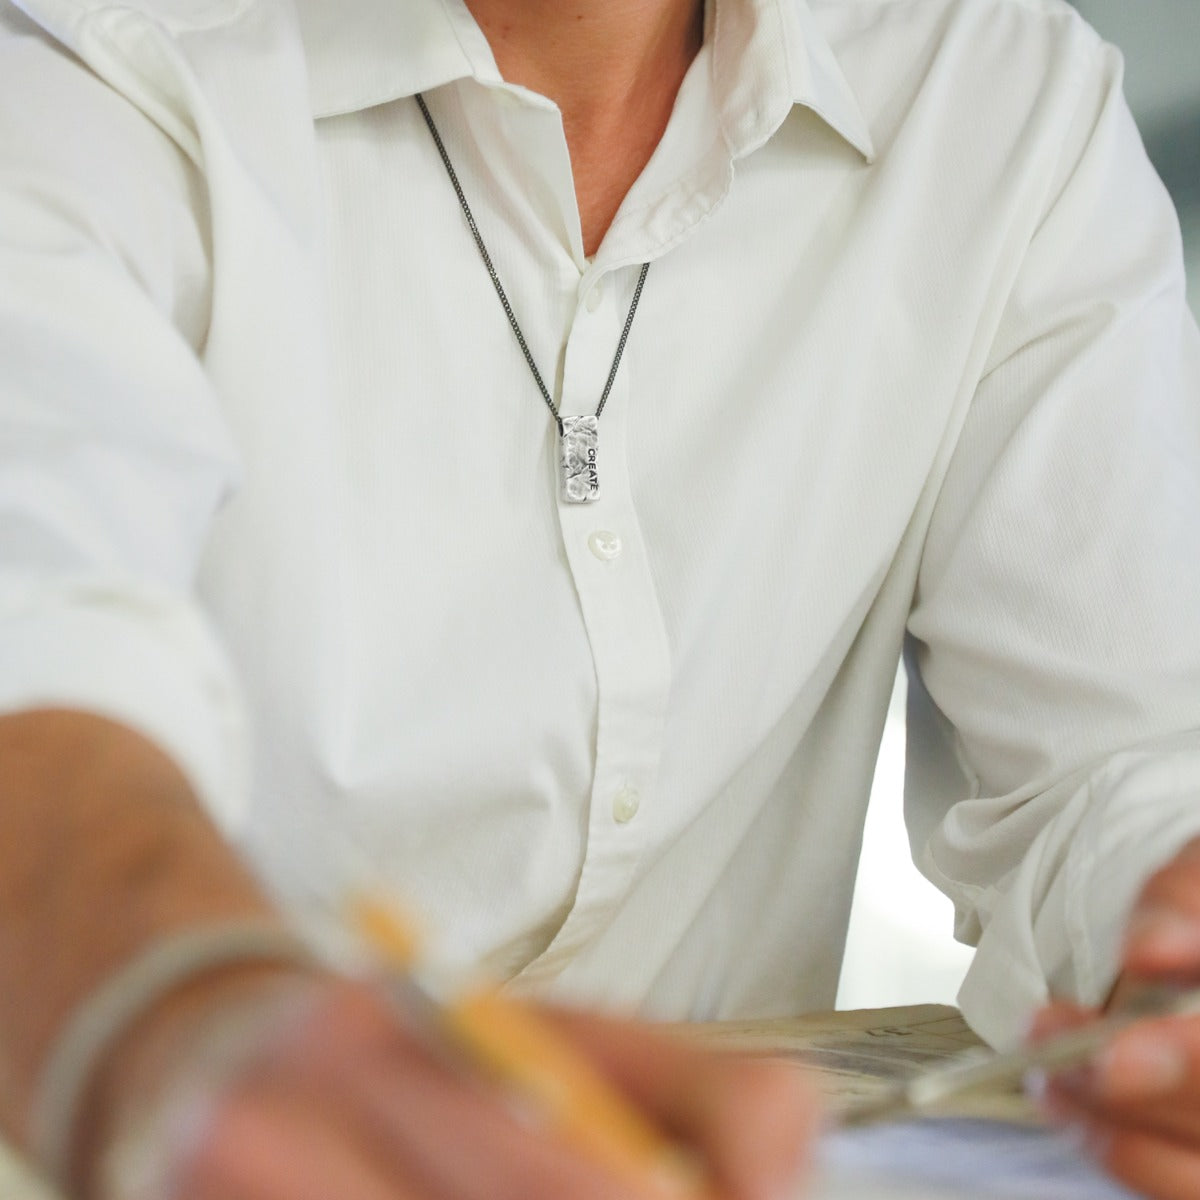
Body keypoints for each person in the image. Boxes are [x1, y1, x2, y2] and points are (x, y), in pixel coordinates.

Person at [0, 0, 1198, 1197]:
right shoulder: (82, 59)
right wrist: (187, 1021)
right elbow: (35, 640)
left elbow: (1137, 754)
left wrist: (1176, 941)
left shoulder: (995, 89)